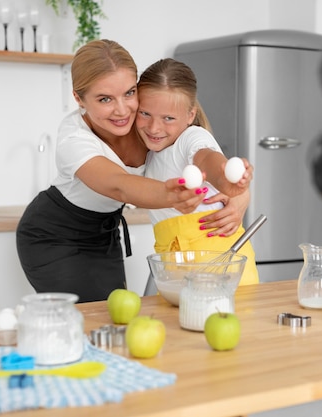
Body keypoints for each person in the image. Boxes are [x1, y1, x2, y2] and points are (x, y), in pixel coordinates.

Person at [16, 40, 248, 303]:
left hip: (105, 231)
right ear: (79, 99)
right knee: (93, 317)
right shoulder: (73, 139)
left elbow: (204, 155)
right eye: (105, 99)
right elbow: (119, 185)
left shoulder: (148, 123)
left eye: (129, 93)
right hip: (55, 234)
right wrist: (170, 195)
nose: (122, 109)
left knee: (116, 315)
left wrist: (239, 196)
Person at [136, 58, 259, 286]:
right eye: (145, 114)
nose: (154, 128)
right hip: (176, 267)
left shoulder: (191, 138)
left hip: (223, 270)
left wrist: (227, 180)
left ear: (190, 115)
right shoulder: (152, 153)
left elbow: (208, 160)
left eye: (168, 118)